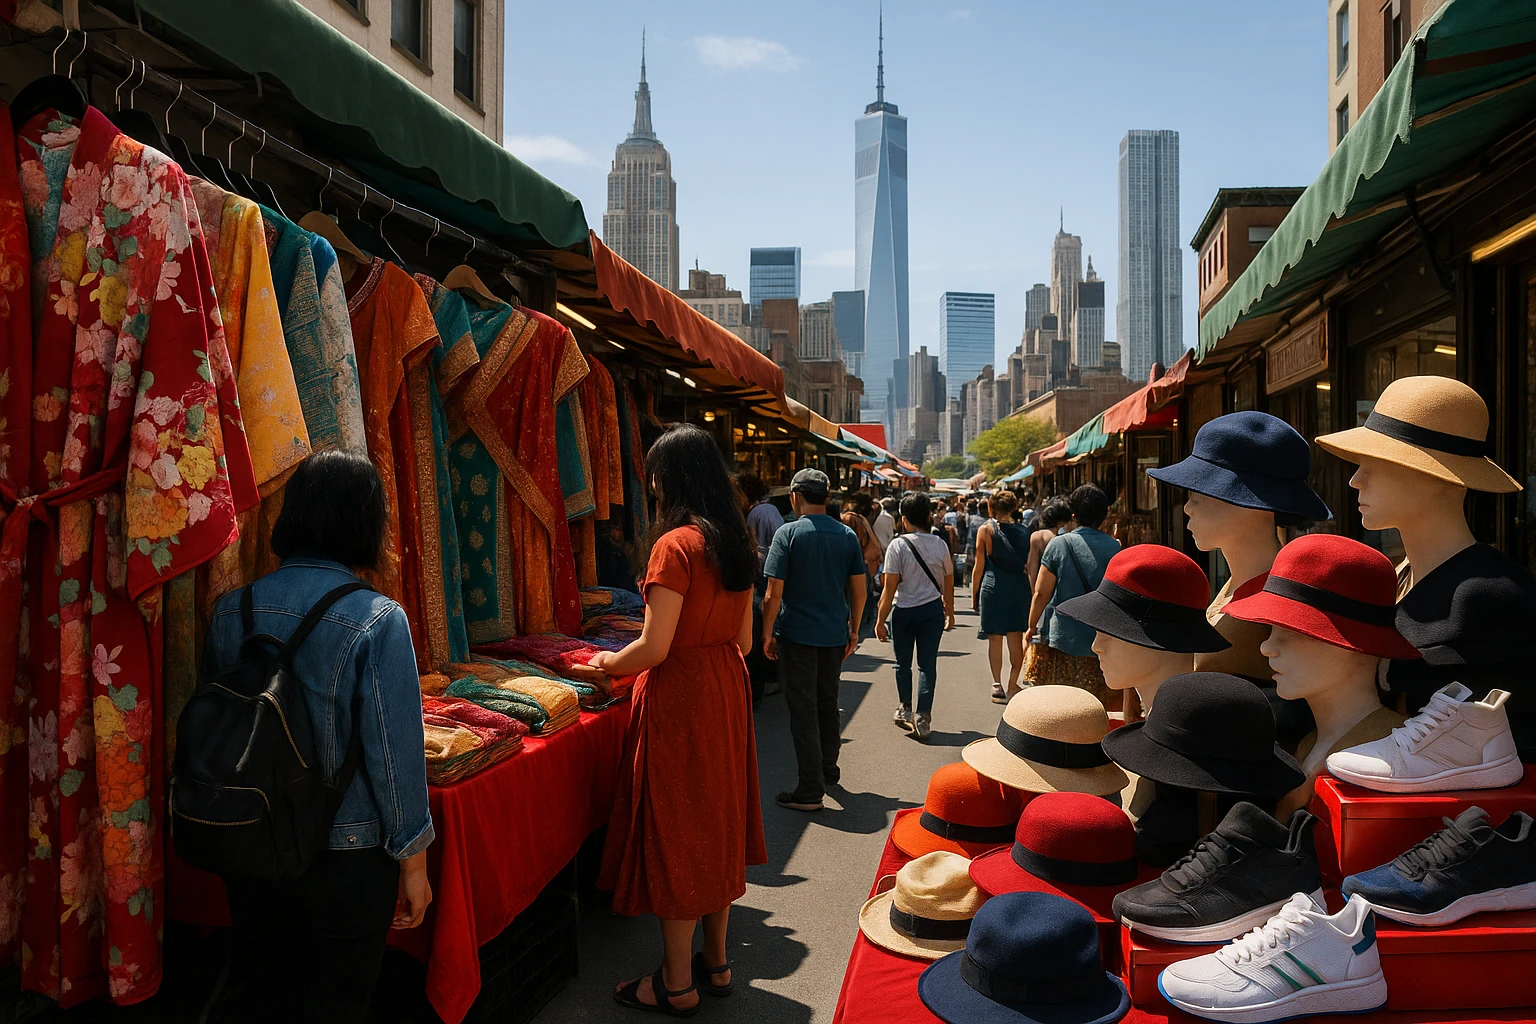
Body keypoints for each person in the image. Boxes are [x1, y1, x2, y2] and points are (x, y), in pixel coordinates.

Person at [204, 450, 433, 1023]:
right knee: (337, 1006)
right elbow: (394, 755)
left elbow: (216, 732)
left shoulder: (234, 610)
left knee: (265, 997)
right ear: (365, 523)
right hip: (346, 855)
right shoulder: (378, 619)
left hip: (251, 846)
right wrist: (413, 863)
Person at [592, 424, 767, 1015]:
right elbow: (742, 641)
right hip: (724, 687)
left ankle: (674, 981)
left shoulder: (675, 547)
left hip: (683, 696)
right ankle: (715, 964)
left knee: (678, 830)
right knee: (717, 824)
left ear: (670, 479)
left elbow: (655, 647)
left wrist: (605, 665)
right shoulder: (735, 541)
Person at [762, 469, 869, 812]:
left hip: (796, 634)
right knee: (827, 701)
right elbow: (859, 588)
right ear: (827, 497)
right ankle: (827, 768)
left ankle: (810, 788)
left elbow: (772, 593)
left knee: (803, 708)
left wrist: (766, 633)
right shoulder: (847, 535)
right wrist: (853, 628)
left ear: (795, 497)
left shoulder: (788, 533)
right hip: (834, 633)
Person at [1023, 484, 1121, 705]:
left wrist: (1031, 626)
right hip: (1099, 640)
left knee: (1063, 703)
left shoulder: (1059, 544)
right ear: (1104, 515)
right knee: (1094, 704)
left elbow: (1041, 593)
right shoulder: (1114, 548)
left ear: (1073, 514)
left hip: (1063, 637)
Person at [876, 493, 957, 741]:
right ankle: (924, 716)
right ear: (928, 517)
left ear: (903, 519)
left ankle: (905, 708)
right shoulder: (940, 544)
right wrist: (950, 612)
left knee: (902, 664)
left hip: (903, 612)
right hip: (932, 611)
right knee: (927, 665)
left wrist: (880, 620)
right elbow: (949, 582)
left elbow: (889, 588)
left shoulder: (898, 546)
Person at [971, 490, 1033, 704]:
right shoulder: (1026, 532)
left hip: (993, 586)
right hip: (1018, 587)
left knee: (995, 639)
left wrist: (974, 594)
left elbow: (979, 565)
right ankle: (1012, 682)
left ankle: (996, 684)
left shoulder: (986, 530)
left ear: (992, 508)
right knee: (1016, 637)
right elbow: (1029, 565)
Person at [842, 490, 884, 639]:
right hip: (867, 563)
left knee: (853, 597)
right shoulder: (861, 519)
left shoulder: (849, 519)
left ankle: (853, 628)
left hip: (858, 563)